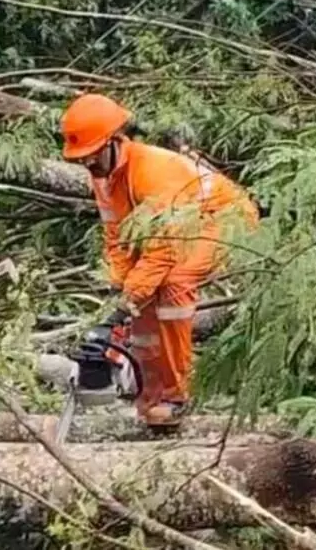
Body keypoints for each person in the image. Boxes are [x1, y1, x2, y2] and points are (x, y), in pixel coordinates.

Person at [60, 93, 259, 427]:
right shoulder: (103, 177)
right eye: (83, 160)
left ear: (113, 142)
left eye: (92, 158)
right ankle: (148, 393)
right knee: (140, 295)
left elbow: (163, 249)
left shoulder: (153, 170)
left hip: (226, 220)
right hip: (178, 229)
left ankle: (176, 395)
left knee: (173, 284)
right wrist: (117, 291)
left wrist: (126, 303)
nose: (88, 166)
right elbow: (117, 237)